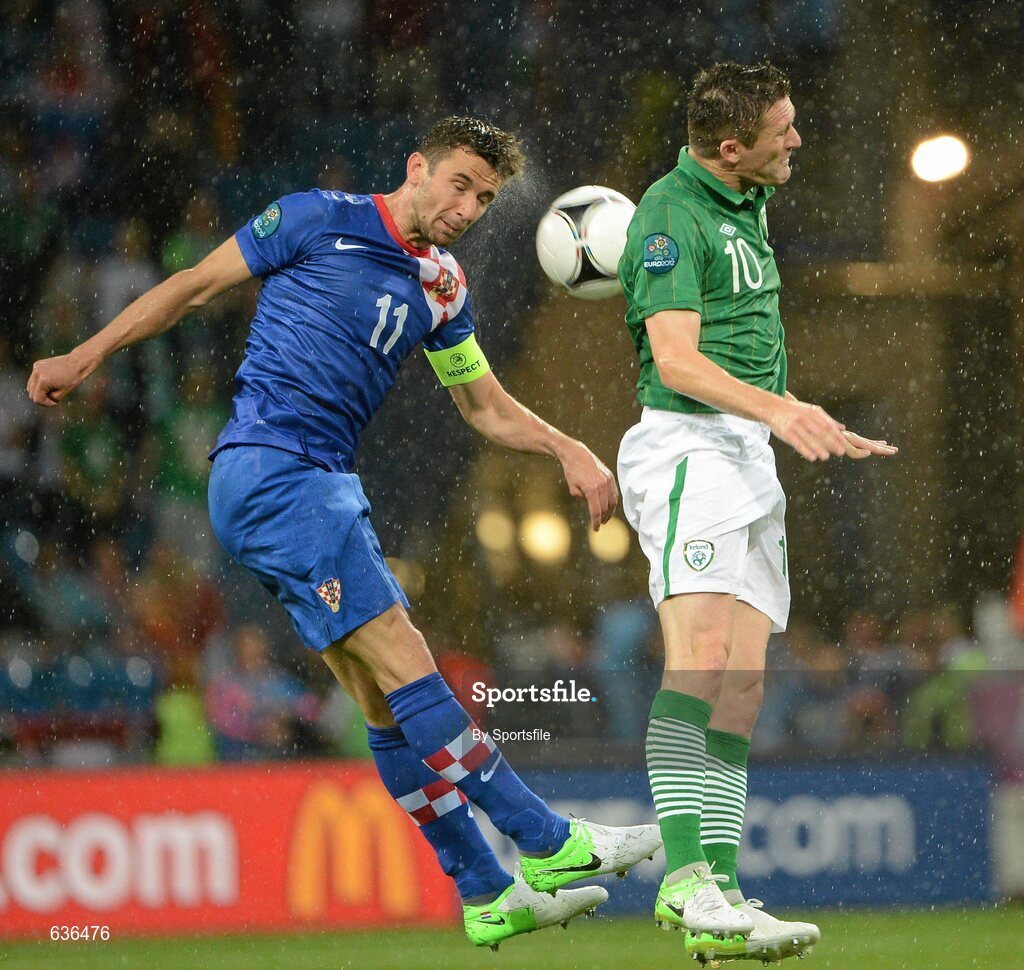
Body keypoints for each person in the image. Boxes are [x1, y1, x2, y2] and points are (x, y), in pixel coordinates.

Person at [28, 115, 661, 950]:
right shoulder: (314, 217)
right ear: (418, 169)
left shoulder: (442, 284)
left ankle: (483, 890)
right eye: (460, 184)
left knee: (383, 700)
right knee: (407, 657)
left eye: (487, 197)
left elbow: (482, 406)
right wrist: (86, 354)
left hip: (316, 483)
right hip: (274, 469)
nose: (469, 206)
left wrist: (566, 445)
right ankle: (547, 841)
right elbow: (189, 288)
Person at [616, 63, 898, 963]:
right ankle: (685, 881)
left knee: (742, 683)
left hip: (745, 453)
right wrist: (781, 408)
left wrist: (789, 414)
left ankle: (726, 892)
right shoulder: (669, 213)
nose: (798, 140)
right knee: (695, 662)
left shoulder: (743, 196)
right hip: (689, 447)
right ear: (731, 147)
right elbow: (676, 360)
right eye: (782, 129)